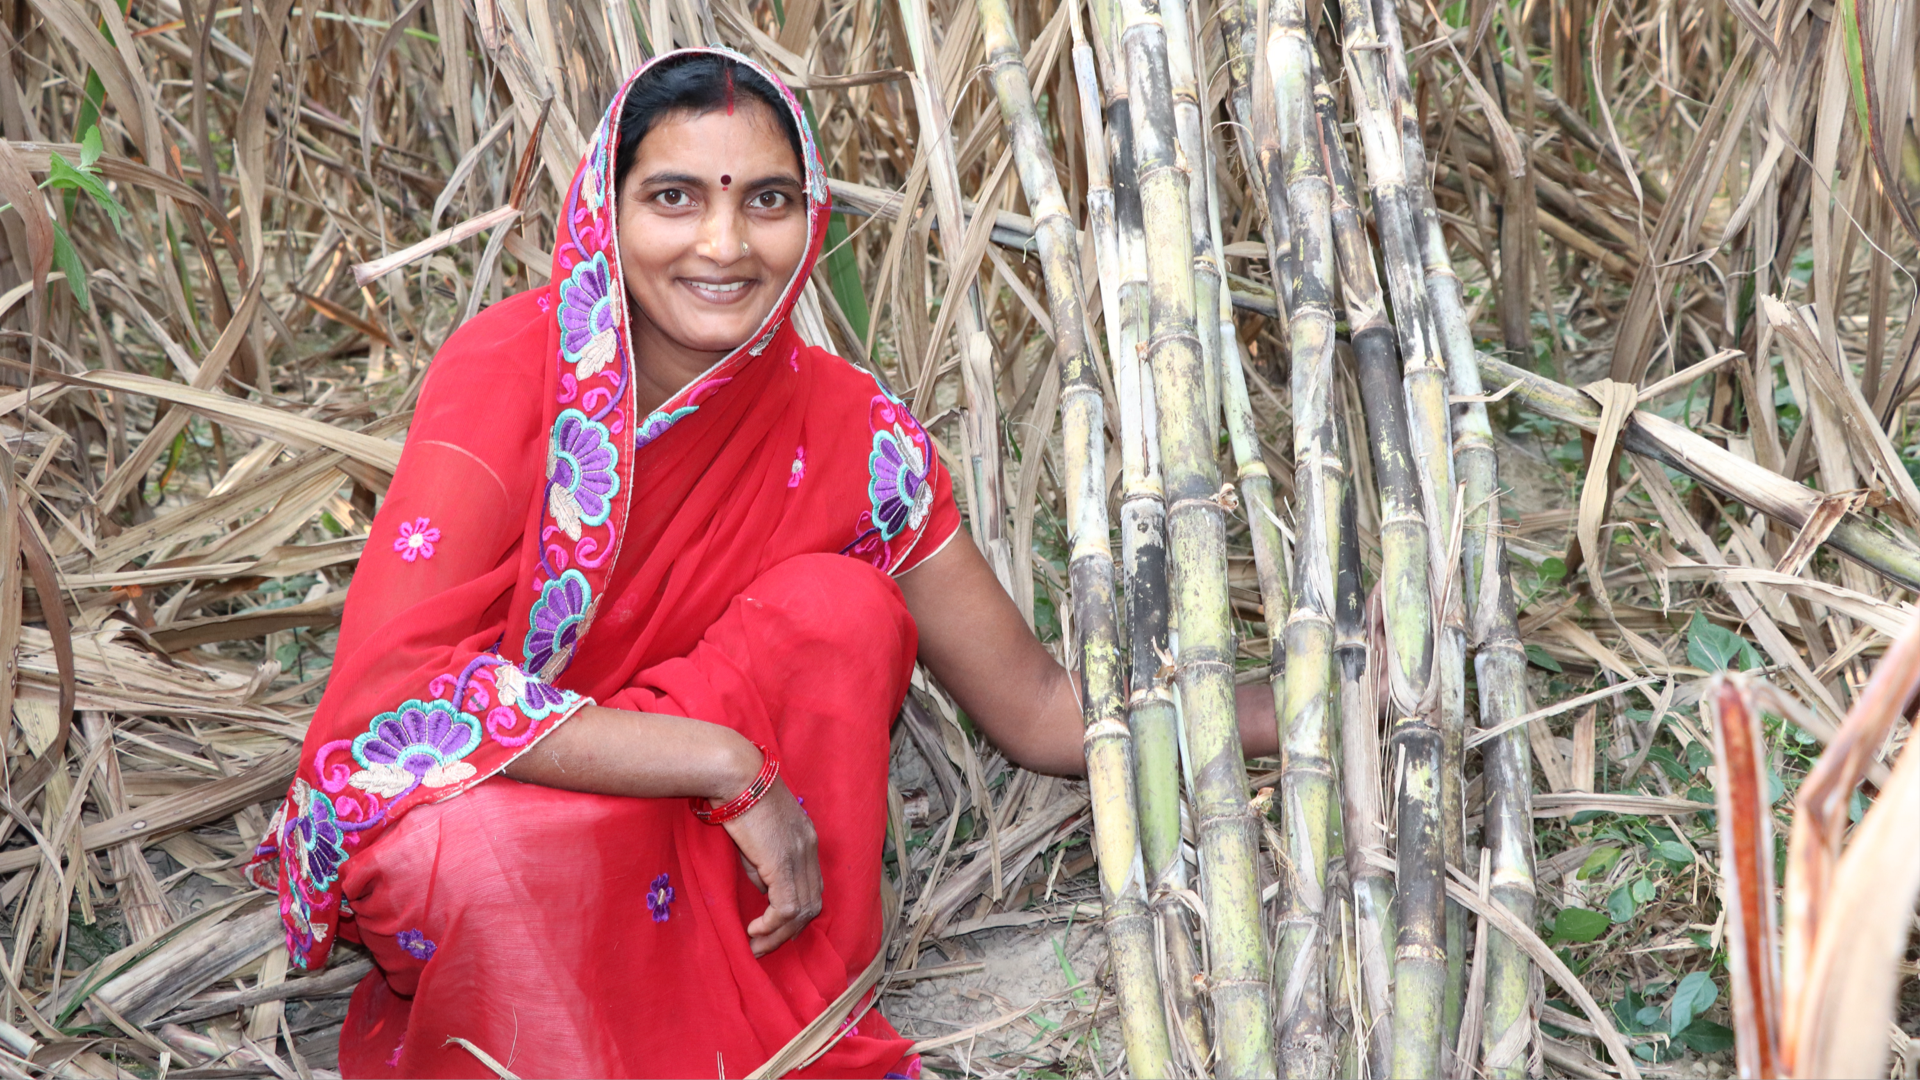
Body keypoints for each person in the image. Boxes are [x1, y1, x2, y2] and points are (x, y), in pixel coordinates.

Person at [248, 47, 1277, 1079]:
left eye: (768, 200)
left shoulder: (852, 437)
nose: (724, 243)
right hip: (493, 808)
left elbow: (1042, 705)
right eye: (674, 197)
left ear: (811, 214)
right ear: (608, 210)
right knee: (481, 861)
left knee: (841, 611)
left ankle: (772, 1016)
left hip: (694, 849)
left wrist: (1298, 709)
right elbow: (401, 704)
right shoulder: (509, 369)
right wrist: (728, 765)